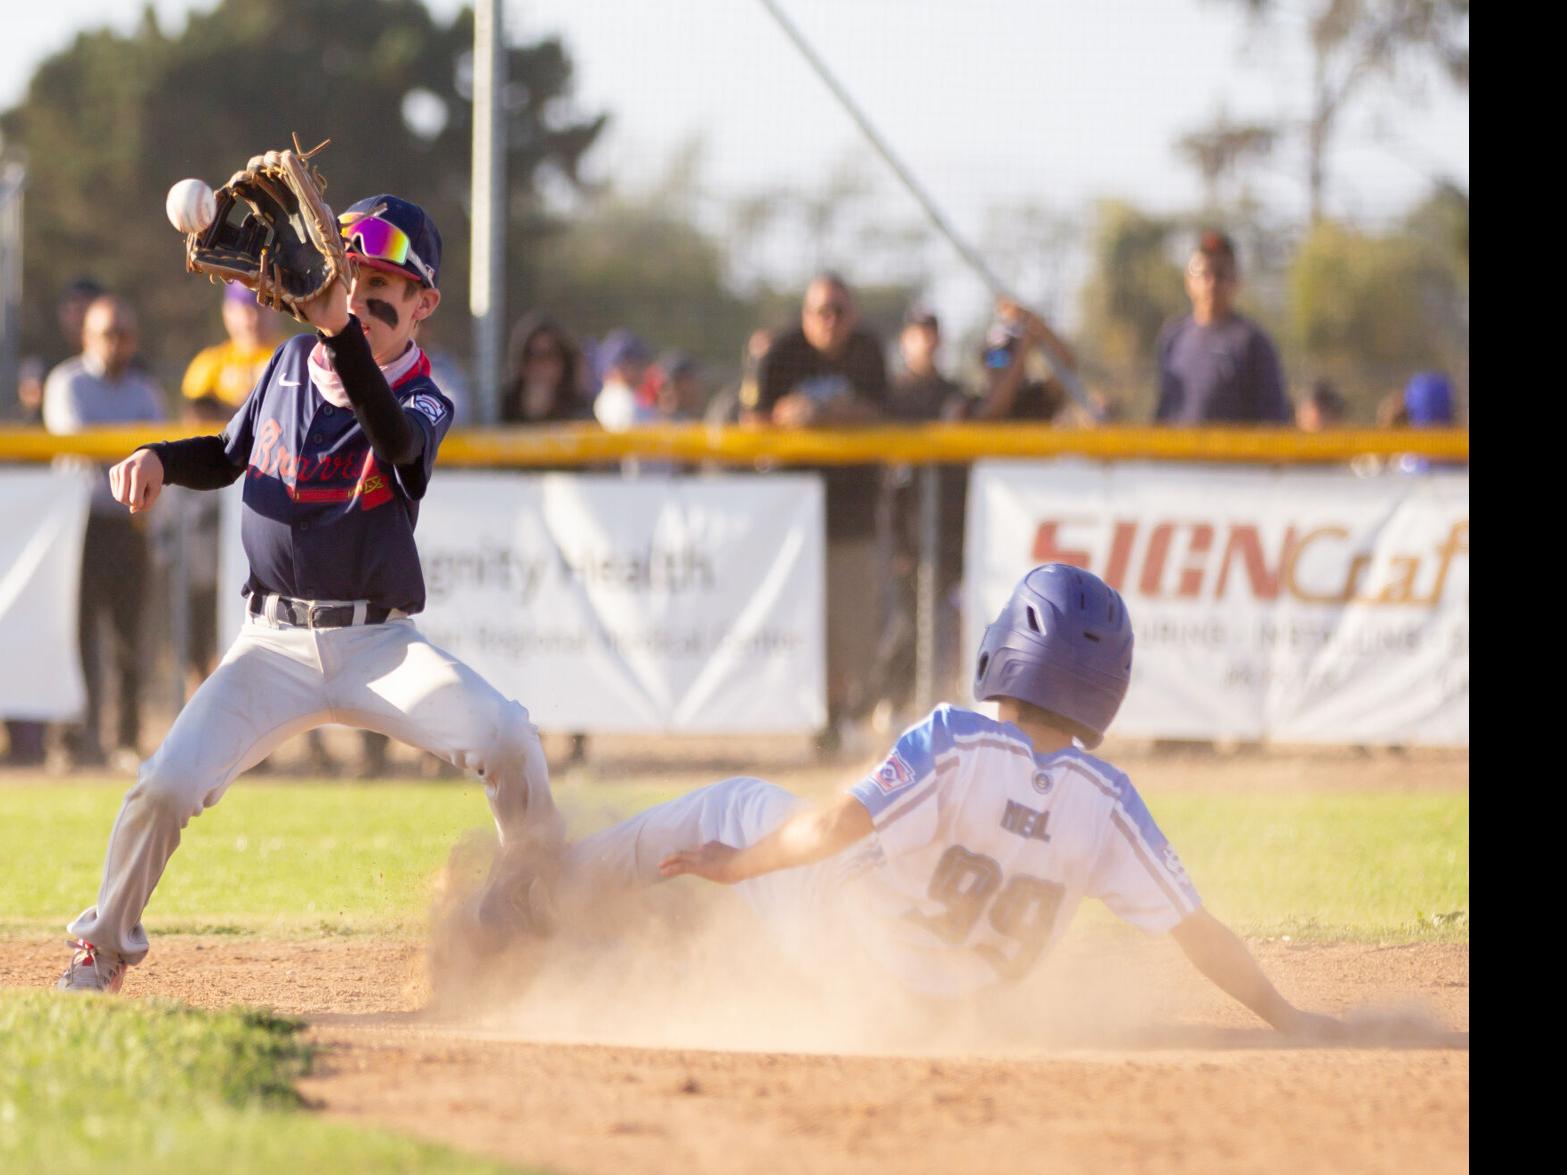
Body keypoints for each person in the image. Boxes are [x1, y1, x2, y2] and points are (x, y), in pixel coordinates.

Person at [54, 194, 561, 992]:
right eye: (349, 274)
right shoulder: (290, 362)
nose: (360, 296)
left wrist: (337, 331)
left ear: (424, 303)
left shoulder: (425, 396)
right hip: (272, 647)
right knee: (165, 784)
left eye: (384, 283)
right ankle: (104, 945)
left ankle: (531, 903)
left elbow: (394, 438)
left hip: (376, 647)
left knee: (507, 738)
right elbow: (227, 454)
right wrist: (159, 455)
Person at [559, 564, 1345, 1038]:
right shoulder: (1108, 797)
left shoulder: (955, 737)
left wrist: (739, 866)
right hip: (962, 1012)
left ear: (1010, 645)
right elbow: (1199, 935)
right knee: (851, 856)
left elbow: (833, 824)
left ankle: (559, 883)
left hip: (858, 974)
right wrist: (1288, 1017)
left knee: (740, 805)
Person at [746, 273, 888, 752]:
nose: (829, 321)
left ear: (853, 314)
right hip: (794, 520)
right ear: (804, 314)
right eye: (820, 311)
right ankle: (820, 720)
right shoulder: (783, 353)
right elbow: (753, 423)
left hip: (853, 513)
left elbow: (882, 414)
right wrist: (790, 415)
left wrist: (823, 414)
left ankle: (848, 712)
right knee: (808, 624)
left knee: (856, 626)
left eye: (839, 311)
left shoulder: (868, 351)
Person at [43, 295, 168, 772]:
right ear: (88, 337)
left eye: (124, 334)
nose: (117, 343)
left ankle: (126, 740)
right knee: (73, 636)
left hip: (130, 525)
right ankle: (71, 739)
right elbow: (82, 442)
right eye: (107, 333)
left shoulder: (145, 389)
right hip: (79, 527)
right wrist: (131, 453)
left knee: (128, 640)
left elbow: (158, 446)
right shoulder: (67, 381)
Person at [1154, 230, 1290, 424]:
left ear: (1236, 281)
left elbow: (1273, 421)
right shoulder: (1173, 337)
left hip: (1232, 454)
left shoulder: (1252, 342)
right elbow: (1163, 412)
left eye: (1220, 274)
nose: (1211, 283)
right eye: (1203, 273)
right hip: (1181, 454)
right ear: (1189, 281)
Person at [500, 314, 592, 424]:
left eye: (548, 356)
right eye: (531, 356)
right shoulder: (502, 408)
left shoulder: (581, 411)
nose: (539, 366)